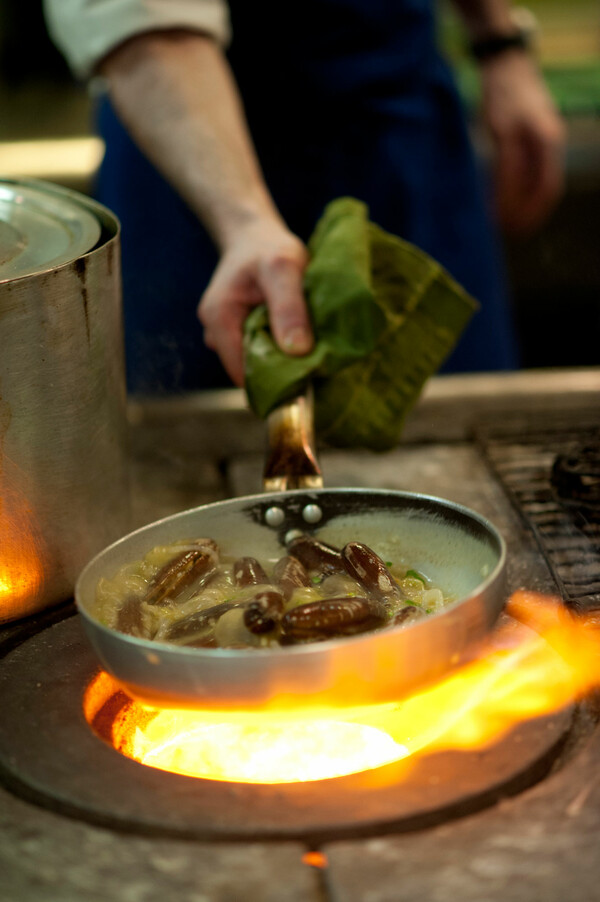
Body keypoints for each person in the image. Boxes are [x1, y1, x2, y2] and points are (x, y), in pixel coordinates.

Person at [43, 0, 565, 394]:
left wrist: (497, 40)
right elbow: (145, 26)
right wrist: (245, 221)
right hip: (192, 150)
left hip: (401, 122)